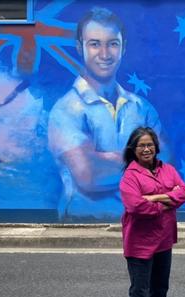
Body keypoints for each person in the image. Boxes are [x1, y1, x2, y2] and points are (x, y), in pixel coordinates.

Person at [48, 7, 163, 216]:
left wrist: (105, 157)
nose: (104, 54)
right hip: (83, 226)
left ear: (123, 48)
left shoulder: (142, 107)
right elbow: (90, 175)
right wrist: (143, 159)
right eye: (94, 44)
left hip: (140, 222)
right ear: (79, 47)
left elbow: (165, 165)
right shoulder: (65, 111)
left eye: (112, 44)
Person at [119, 127, 185, 297]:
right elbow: (136, 207)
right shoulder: (130, 176)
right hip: (139, 245)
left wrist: (155, 197)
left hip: (163, 242)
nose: (146, 149)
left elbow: (184, 192)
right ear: (134, 149)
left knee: (158, 293)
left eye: (150, 145)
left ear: (156, 147)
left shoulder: (167, 169)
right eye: (141, 146)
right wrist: (166, 202)